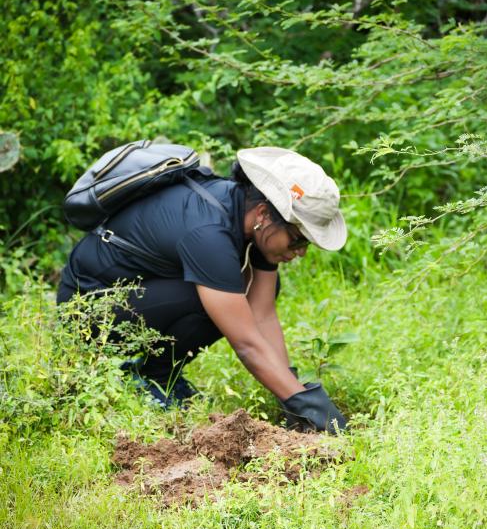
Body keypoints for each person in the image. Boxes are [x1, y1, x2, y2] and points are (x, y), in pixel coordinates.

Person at [57, 146, 348, 433]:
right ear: (264, 214)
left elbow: (263, 315)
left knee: (242, 289)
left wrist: (291, 395)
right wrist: (312, 407)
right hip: (90, 308)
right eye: (297, 239)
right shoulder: (209, 233)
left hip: (143, 291)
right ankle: (150, 378)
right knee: (222, 295)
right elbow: (246, 341)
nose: (300, 253)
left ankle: (158, 375)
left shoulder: (249, 220)